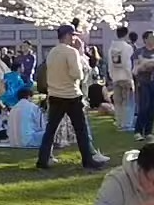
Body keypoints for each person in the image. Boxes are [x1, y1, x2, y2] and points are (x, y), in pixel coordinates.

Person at [37, 25, 108, 171]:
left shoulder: (52, 52)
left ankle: (43, 159)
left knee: (51, 130)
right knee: (81, 130)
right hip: (71, 95)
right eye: (73, 35)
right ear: (68, 36)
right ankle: (88, 160)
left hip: (55, 94)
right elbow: (78, 74)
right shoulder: (71, 52)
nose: (75, 38)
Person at [108, 25, 136, 134]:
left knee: (118, 102)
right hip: (125, 76)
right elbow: (127, 64)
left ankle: (119, 122)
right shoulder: (127, 47)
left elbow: (110, 64)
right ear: (126, 35)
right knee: (127, 102)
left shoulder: (111, 48)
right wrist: (130, 77)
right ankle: (127, 123)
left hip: (115, 77)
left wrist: (112, 76)